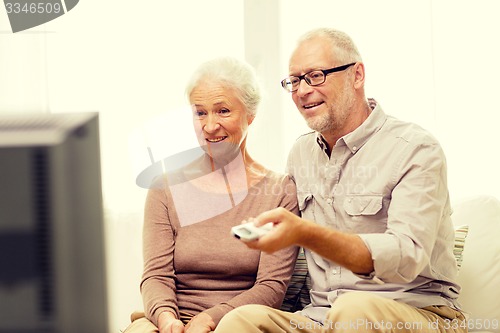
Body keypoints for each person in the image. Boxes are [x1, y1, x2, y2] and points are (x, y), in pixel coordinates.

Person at [214, 28, 467, 333]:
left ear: (357, 75)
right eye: (294, 81)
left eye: (316, 75)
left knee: (353, 310)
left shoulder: (414, 148)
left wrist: (306, 233)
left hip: (416, 312)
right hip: (321, 317)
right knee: (240, 321)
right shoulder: (301, 152)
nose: (302, 90)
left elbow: (407, 256)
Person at [124, 57, 299, 333]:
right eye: (200, 113)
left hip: (239, 323)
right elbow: (156, 276)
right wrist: (168, 321)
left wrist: (210, 320)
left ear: (250, 115)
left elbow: (271, 287)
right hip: (171, 322)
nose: (209, 126)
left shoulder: (279, 192)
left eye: (223, 111)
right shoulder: (164, 186)